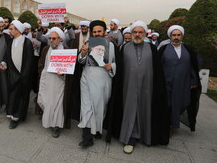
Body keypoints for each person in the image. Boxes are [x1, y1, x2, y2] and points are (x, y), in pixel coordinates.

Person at [114, 21, 170, 154]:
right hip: (128, 86)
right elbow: (119, 68)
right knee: (131, 109)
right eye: (135, 32)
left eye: (140, 32)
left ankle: (146, 136)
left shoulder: (152, 48)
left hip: (147, 87)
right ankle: (130, 138)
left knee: (146, 109)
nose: (137, 34)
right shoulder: (124, 48)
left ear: (145, 34)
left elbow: (157, 69)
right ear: (131, 33)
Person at [77, 20, 117, 148]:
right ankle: (87, 137)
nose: (97, 33)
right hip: (87, 79)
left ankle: (97, 129)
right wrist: (82, 54)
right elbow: (81, 61)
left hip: (103, 82)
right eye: (94, 31)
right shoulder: (88, 44)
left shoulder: (111, 46)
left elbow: (118, 63)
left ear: (104, 32)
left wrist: (112, 66)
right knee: (86, 108)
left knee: (100, 109)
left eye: (99, 31)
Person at [159, 25, 201, 134]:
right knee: (167, 104)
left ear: (182, 36)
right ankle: (169, 125)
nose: (176, 37)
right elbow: (158, 66)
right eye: (174, 35)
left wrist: (194, 80)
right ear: (170, 36)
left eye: (178, 35)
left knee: (183, 102)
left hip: (183, 83)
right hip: (166, 82)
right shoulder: (164, 49)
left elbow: (193, 66)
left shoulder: (188, 50)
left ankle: (173, 121)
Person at [1, 20, 34, 129]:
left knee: (20, 97)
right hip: (11, 75)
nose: (9, 31)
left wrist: (23, 76)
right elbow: (7, 56)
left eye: (11, 29)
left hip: (22, 76)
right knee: (12, 96)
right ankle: (12, 114)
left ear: (18, 30)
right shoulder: (10, 42)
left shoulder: (27, 42)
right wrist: (3, 63)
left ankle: (17, 118)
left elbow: (29, 62)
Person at [37, 27, 69, 137]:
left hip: (59, 81)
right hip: (46, 79)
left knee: (57, 104)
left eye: (54, 38)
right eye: (50, 38)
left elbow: (69, 69)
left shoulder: (65, 50)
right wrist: (42, 73)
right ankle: (48, 119)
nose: (51, 40)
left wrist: (63, 72)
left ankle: (56, 126)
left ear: (60, 39)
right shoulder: (46, 49)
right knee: (44, 100)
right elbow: (41, 63)